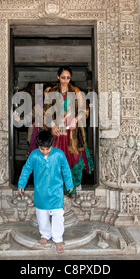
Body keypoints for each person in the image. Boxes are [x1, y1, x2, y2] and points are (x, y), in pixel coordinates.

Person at [18, 130, 74, 254]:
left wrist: (69, 184)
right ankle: (45, 235)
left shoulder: (59, 154)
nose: (45, 151)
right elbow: (26, 169)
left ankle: (58, 239)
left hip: (56, 192)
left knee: (58, 216)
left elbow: (66, 169)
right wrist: (21, 184)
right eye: (42, 149)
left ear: (52, 145)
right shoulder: (34, 155)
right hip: (40, 192)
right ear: (38, 146)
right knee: (42, 215)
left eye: (47, 149)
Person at [44, 67, 94, 197]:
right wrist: (52, 124)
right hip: (57, 132)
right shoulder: (52, 92)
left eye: (68, 78)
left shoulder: (76, 92)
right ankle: (58, 188)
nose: (65, 80)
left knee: (74, 158)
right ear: (58, 77)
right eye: (63, 77)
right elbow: (47, 112)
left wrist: (76, 120)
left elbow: (84, 111)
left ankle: (74, 184)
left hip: (72, 131)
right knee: (56, 159)